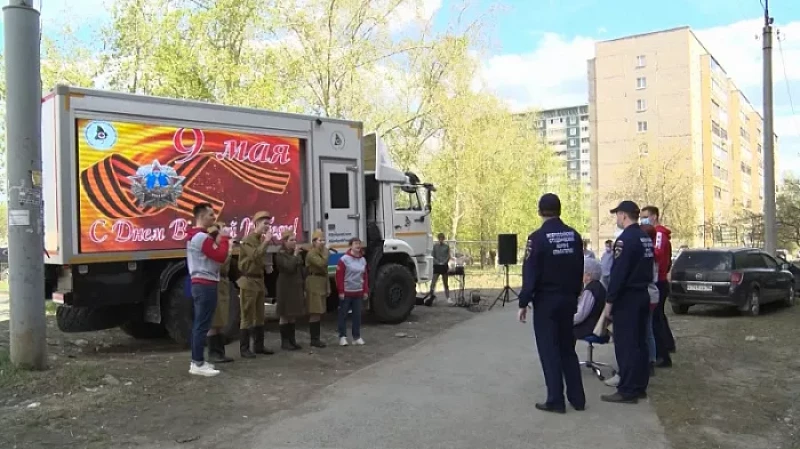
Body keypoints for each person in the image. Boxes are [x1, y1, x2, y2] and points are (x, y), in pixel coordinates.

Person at [518, 193, 585, 414]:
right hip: (568, 299)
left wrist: (524, 301)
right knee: (567, 348)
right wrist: (576, 294)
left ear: (540, 211)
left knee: (549, 350)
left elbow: (531, 272)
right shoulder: (574, 236)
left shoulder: (537, 238)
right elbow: (579, 269)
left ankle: (555, 399)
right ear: (559, 210)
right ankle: (578, 398)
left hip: (546, 301)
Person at [601, 200, 654, 404]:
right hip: (642, 294)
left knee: (626, 344)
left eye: (617, 215)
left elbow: (618, 274)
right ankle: (639, 386)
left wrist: (609, 301)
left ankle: (627, 389)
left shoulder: (625, 239)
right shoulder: (644, 237)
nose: (616, 219)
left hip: (628, 298)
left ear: (623, 215)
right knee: (640, 343)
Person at [186, 203, 231, 377]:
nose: (214, 218)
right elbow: (219, 256)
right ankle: (197, 363)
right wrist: (225, 239)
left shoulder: (199, 236)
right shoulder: (199, 237)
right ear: (201, 216)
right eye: (211, 215)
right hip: (204, 284)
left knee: (202, 323)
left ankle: (198, 360)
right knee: (202, 325)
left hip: (204, 283)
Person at [641, 205, 676, 365]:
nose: (643, 219)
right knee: (659, 317)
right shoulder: (656, 233)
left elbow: (658, 253)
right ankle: (667, 346)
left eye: (645, 216)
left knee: (656, 320)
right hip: (659, 280)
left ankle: (662, 354)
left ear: (654, 216)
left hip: (658, 280)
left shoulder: (659, 233)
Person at [237, 211, 274, 358]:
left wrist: (266, 266)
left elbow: (260, 258)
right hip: (248, 281)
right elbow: (254, 255)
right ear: (256, 224)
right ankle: (244, 349)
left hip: (259, 281)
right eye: (265, 223)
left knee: (260, 315)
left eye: (269, 224)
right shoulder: (248, 240)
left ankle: (259, 346)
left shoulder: (260, 240)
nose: (267, 227)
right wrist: (266, 242)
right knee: (247, 315)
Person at [206, 223, 235, 364]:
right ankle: (213, 353)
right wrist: (229, 250)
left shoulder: (218, 249)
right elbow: (222, 265)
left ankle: (220, 352)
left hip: (222, 283)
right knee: (214, 321)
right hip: (214, 284)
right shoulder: (212, 250)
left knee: (221, 320)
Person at [275, 230, 306, 350]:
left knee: (293, 313)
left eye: (295, 240)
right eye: (291, 240)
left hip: (295, 285)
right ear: (285, 241)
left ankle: (292, 340)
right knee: (284, 314)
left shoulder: (295, 253)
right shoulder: (280, 254)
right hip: (285, 286)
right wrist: (295, 255)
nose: (294, 242)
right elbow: (289, 267)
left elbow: (300, 266)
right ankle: (285, 342)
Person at [335, 237, 369, 347]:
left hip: (358, 292)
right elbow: (339, 277)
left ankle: (356, 337)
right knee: (343, 315)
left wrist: (365, 290)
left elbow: (364, 276)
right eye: (355, 244)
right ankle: (342, 337)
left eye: (359, 244)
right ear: (350, 246)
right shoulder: (344, 260)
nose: (358, 246)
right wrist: (341, 291)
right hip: (346, 292)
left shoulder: (363, 260)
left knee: (357, 316)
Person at [640, 223, 660, 377]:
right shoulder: (651, 252)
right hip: (652, 294)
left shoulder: (648, 253)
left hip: (647, 294)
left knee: (646, 330)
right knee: (648, 330)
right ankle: (651, 359)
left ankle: (648, 360)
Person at [305, 229, 329, 348]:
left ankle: (316, 338)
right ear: (314, 242)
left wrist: (328, 287)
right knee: (315, 311)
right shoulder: (312, 254)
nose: (323, 242)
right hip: (313, 283)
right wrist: (326, 253)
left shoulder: (321, 252)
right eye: (320, 240)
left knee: (319, 312)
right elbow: (322, 264)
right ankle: (314, 339)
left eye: (324, 240)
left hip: (321, 282)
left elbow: (325, 272)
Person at [573, 258, 607, 342]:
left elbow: (581, 315)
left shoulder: (590, 290)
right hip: (598, 325)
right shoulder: (600, 287)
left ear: (588, 275)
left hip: (590, 328)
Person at [428, 233, 452, 306]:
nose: (441, 239)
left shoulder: (447, 246)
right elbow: (432, 256)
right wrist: (437, 262)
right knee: (433, 282)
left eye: (442, 238)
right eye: (439, 238)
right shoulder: (435, 246)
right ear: (438, 239)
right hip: (437, 266)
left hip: (444, 266)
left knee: (445, 283)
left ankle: (448, 298)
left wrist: (444, 262)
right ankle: (431, 297)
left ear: (444, 239)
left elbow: (448, 256)